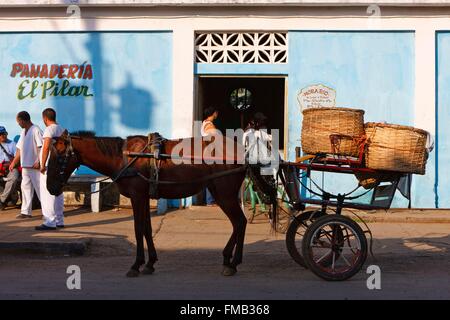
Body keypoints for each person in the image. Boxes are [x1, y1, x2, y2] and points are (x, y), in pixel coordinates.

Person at [9, 111, 43, 219]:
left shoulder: (36, 130)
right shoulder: (23, 131)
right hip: (25, 166)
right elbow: (19, 149)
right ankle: (26, 212)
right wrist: (14, 162)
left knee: (40, 189)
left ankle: (49, 212)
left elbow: (40, 147)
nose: (18, 123)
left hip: (35, 166)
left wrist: (39, 161)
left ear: (23, 120)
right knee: (25, 189)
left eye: (18, 121)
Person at [36, 108, 65, 231]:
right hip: (59, 165)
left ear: (45, 118)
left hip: (49, 165)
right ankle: (59, 220)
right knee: (58, 192)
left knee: (47, 193)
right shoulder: (62, 129)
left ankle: (49, 222)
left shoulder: (49, 129)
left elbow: (46, 146)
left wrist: (42, 164)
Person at [201, 107, 220, 206]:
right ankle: (210, 200)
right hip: (209, 152)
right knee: (211, 176)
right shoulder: (209, 124)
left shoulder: (205, 123)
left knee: (210, 176)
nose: (217, 114)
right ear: (214, 113)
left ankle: (211, 200)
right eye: (216, 112)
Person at [0, 126, 20, 210]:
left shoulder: (12, 144)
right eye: (1, 134)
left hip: (11, 167)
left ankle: (1, 200)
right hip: (0, 168)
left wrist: (9, 165)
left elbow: (17, 158)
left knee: (14, 177)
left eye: (5, 134)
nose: (3, 136)